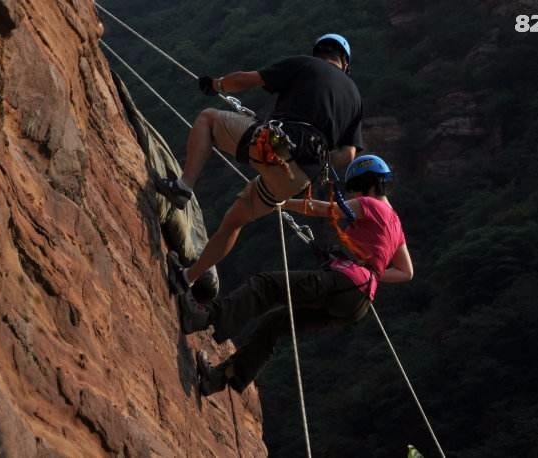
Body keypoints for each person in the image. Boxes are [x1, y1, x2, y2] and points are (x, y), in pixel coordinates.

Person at [178, 155, 413, 395]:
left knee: (266, 286)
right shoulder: (395, 223)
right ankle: (218, 378)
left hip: (345, 282)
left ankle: (202, 318)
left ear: (367, 184)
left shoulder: (370, 204)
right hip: (358, 302)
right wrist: (370, 272)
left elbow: (322, 209)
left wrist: (280, 201)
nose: (353, 196)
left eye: (354, 189)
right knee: (275, 325)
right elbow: (406, 272)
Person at [157, 34, 364, 296]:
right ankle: (187, 277)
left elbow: (247, 79)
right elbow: (349, 154)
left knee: (207, 119)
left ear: (319, 53)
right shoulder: (355, 98)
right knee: (235, 220)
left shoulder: (306, 65)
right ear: (345, 63)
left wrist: (216, 85)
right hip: (299, 176)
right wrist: (317, 159)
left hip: (274, 144)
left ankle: (183, 187)